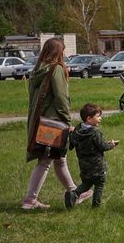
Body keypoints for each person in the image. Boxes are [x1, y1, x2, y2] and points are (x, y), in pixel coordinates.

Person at [21, 37, 82, 210]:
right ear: (58, 52)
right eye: (62, 50)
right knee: (46, 160)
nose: (64, 53)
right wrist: (67, 120)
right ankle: (30, 200)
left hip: (39, 121)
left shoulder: (38, 69)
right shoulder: (56, 69)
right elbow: (61, 98)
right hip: (53, 122)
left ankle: (75, 192)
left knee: (59, 158)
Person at [68, 104, 118, 208]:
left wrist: (71, 133)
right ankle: (96, 206)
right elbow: (102, 146)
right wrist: (111, 144)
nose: (100, 118)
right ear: (89, 118)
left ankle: (74, 194)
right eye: (98, 116)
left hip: (84, 166)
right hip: (97, 166)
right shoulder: (95, 133)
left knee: (87, 183)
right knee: (99, 185)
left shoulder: (78, 129)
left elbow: (72, 143)